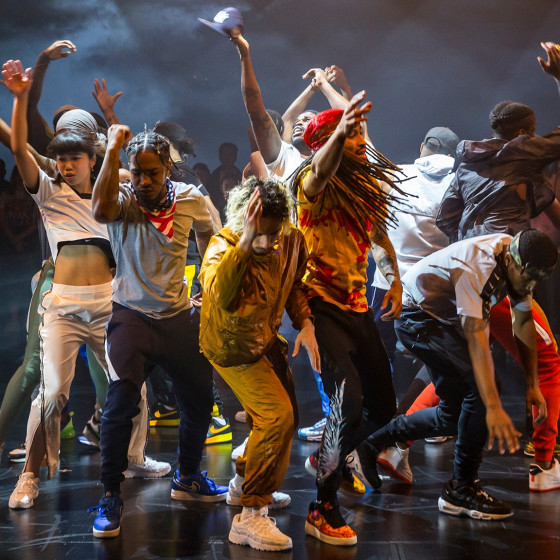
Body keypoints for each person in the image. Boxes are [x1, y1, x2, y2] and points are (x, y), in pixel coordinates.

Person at [356, 229, 556, 519]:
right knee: (481, 392)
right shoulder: (478, 269)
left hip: (439, 319)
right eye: (528, 278)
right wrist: (493, 406)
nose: (530, 286)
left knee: (454, 415)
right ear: (513, 262)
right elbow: (477, 342)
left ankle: (373, 443)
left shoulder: (516, 259)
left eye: (537, 280)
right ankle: (461, 489)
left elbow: (522, 321)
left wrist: (532, 384)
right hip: (417, 318)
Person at [89, 125, 225, 538]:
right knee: (119, 407)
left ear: (168, 168)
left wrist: (207, 282)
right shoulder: (121, 200)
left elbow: (209, 231)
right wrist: (113, 149)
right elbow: (99, 211)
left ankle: (187, 477)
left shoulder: (189, 199)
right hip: (131, 317)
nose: (144, 181)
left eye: (152, 172)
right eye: (136, 172)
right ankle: (110, 494)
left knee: (200, 401)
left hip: (177, 317)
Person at [290, 94, 405, 546]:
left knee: (383, 408)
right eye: (349, 135)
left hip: (358, 308)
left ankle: (328, 457)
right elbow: (321, 170)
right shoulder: (312, 185)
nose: (359, 141)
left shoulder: (364, 188)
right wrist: (339, 132)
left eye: (358, 133)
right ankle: (321, 508)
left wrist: (394, 280)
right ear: (326, 143)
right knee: (347, 404)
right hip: (321, 306)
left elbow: (379, 237)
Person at [2, 59, 114, 509]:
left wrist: (113, 123)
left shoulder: (112, 189)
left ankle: (127, 462)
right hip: (63, 302)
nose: (67, 164)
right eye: (62, 157)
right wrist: (19, 98)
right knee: (48, 392)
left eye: (75, 156)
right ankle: (28, 475)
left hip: (108, 303)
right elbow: (18, 147)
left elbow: (134, 167)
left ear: (92, 156)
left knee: (125, 389)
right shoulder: (49, 188)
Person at [199, 177, 320, 552]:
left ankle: (242, 484)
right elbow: (221, 295)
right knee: (276, 417)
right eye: (260, 234)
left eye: (273, 234)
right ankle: (250, 515)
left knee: (285, 420)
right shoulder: (225, 244)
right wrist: (247, 242)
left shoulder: (291, 239)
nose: (268, 243)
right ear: (244, 220)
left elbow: (294, 283)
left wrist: (305, 323)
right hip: (231, 347)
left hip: (264, 339)